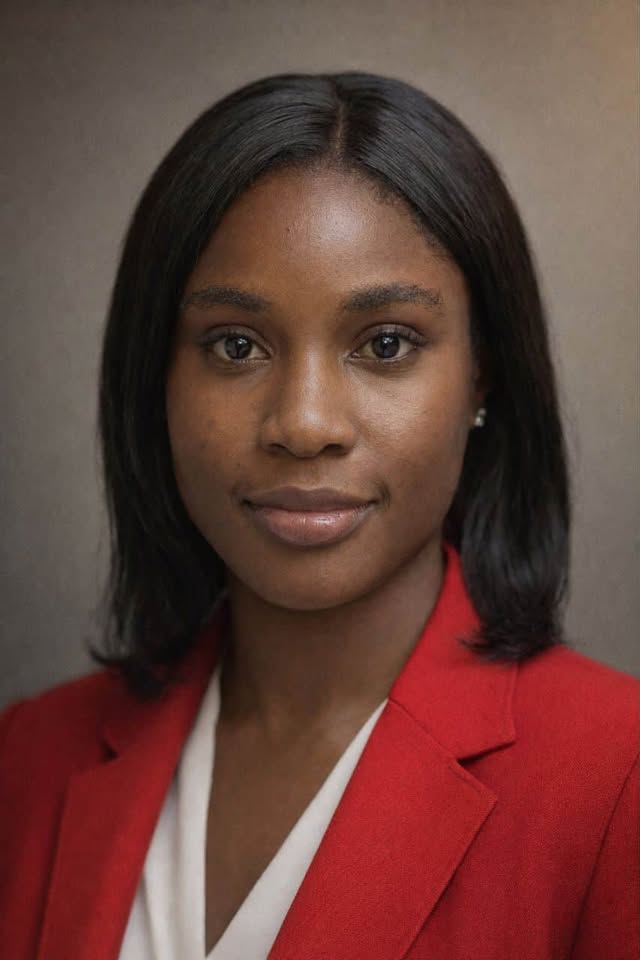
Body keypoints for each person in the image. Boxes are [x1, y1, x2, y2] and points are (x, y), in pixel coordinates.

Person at [0, 71, 637, 960]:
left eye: (384, 345)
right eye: (236, 345)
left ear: (483, 376)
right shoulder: (27, 760)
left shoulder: (618, 779)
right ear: (157, 379)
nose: (303, 423)